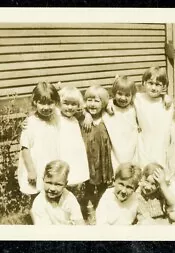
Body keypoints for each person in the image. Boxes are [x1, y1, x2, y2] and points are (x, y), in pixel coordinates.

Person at [17, 81, 61, 196]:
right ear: (35, 102)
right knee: (36, 197)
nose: (46, 107)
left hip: (50, 165)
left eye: (50, 103)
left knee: (51, 194)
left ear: (56, 102)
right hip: (36, 166)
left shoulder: (56, 117)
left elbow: (73, 102)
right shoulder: (30, 123)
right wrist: (31, 171)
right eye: (42, 103)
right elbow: (24, 148)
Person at [81, 85, 114, 216]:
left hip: (103, 156)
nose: (92, 104)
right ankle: (88, 206)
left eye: (97, 100)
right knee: (88, 183)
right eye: (89, 100)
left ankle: (102, 206)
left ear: (104, 103)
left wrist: (110, 102)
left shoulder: (107, 115)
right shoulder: (83, 118)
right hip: (88, 156)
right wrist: (86, 113)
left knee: (103, 183)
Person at [133, 67, 173, 170]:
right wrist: (110, 103)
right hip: (144, 141)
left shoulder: (167, 103)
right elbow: (119, 97)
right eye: (150, 83)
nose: (154, 88)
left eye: (158, 84)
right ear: (144, 83)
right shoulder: (138, 98)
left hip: (161, 142)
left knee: (160, 167)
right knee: (144, 167)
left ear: (164, 86)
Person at [57, 86, 90, 203]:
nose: (70, 107)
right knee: (62, 180)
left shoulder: (76, 118)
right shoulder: (56, 117)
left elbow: (84, 110)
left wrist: (87, 115)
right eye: (66, 103)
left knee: (75, 181)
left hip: (75, 155)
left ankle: (75, 205)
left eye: (74, 104)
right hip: (63, 154)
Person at [30, 160, 85, 225]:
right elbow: (43, 229)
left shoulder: (69, 198)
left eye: (58, 184)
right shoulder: (39, 201)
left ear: (65, 184)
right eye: (49, 183)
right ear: (43, 180)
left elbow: (79, 222)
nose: (52, 188)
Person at [103, 76, 139, 169]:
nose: (123, 98)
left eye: (127, 95)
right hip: (115, 150)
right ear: (114, 93)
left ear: (132, 96)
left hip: (131, 149)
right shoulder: (108, 108)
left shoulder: (133, 108)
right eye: (120, 94)